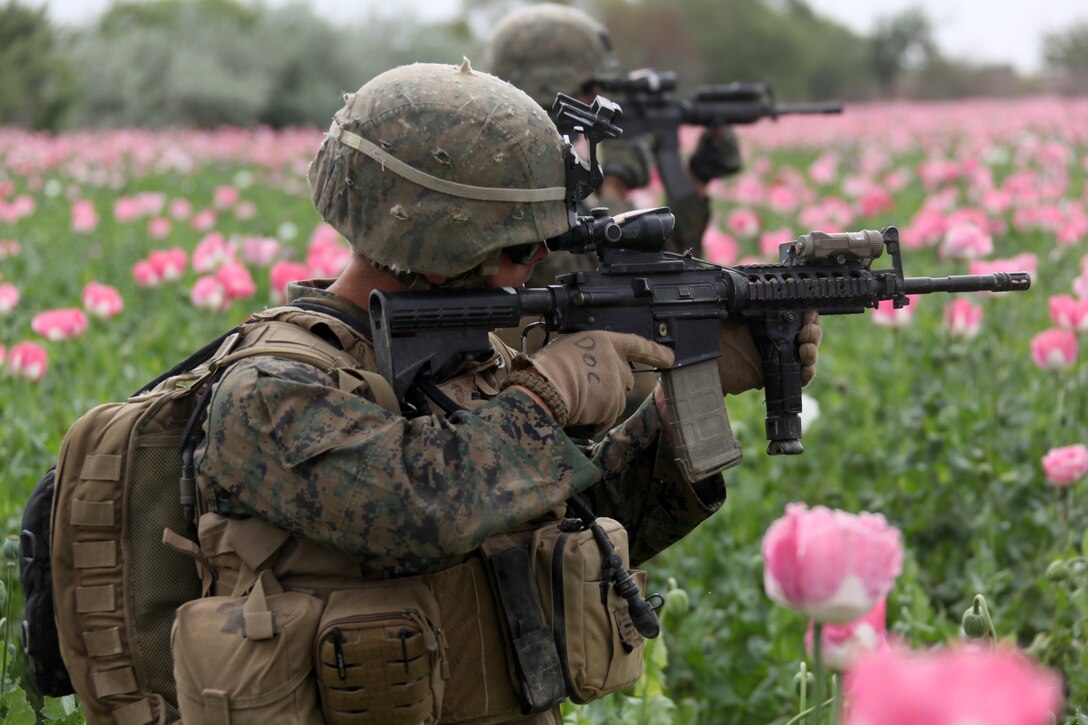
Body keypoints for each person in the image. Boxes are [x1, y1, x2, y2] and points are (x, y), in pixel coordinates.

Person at [190, 61, 820, 724]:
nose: (539, 262)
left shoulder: (470, 359)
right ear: (440, 248)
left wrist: (684, 400)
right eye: (523, 246)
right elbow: (422, 512)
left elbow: (562, 527)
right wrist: (545, 393)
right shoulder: (270, 393)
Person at [485, 2, 742, 266]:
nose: (598, 100)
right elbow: (605, 280)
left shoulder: (497, 158)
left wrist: (696, 181)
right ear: (550, 89)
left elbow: (669, 266)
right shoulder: (513, 182)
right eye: (590, 88)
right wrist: (614, 189)